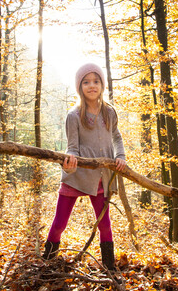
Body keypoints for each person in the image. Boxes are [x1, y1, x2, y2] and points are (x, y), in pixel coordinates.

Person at [42, 63, 126, 272]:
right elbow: (72, 148)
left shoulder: (110, 112)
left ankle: (109, 267)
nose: (91, 85)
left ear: (102, 85)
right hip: (77, 176)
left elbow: (116, 136)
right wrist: (69, 164)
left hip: (100, 178)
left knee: (105, 224)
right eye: (86, 82)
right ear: (80, 87)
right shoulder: (74, 116)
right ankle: (47, 261)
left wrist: (120, 156)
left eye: (96, 81)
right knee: (60, 223)